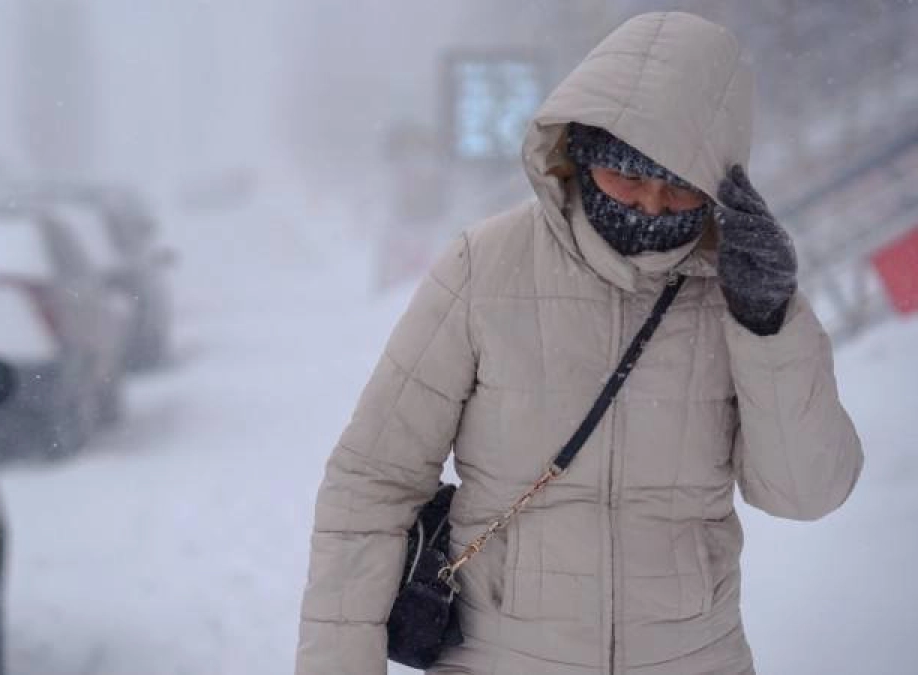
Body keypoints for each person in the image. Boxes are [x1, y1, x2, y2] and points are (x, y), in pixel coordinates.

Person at [295, 11, 863, 675]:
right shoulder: (486, 267)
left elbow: (806, 491)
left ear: (717, 183)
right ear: (581, 152)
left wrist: (769, 323)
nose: (649, 207)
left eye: (678, 186)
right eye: (627, 175)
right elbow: (372, 482)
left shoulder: (740, 290)